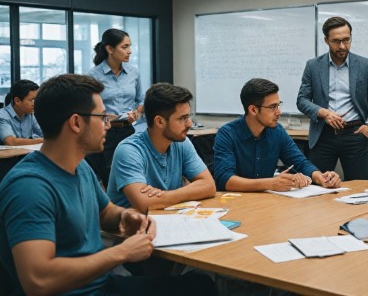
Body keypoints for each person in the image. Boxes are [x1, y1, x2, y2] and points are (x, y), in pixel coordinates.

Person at [0, 74, 215, 295]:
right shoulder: (29, 187)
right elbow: (38, 280)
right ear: (76, 123)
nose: (108, 125)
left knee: (200, 284)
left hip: (99, 284)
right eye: (102, 117)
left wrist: (125, 216)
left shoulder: (79, 167)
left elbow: (107, 211)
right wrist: (122, 253)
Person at [214, 78, 341, 192]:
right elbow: (225, 179)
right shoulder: (227, 134)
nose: (279, 112)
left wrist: (320, 177)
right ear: (253, 110)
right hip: (235, 203)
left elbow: (300, 162)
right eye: (273, 107)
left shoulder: (277, 131)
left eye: (279, 105)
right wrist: (270, 183)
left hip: (268, 201)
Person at [296, 16, 368, 180]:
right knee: (318, 185)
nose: (342, 46)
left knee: (359, 186)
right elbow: (302, 100)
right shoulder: (313, 66)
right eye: (336, 41)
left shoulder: (365, 65)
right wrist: (323, 112)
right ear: (326, 41)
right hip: (323, 134)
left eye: (346, 40)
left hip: (355, 133)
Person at [107, 83, 216, 211]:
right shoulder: (129, 150)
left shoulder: (182, 142)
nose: (190, 123)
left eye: (189, 116)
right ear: (159, 121)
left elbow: (209, 185)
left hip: (167, 221)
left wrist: (162, 196)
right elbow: (144, 203)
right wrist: (190, 190)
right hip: (131, 228)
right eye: (183, 118)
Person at [87, 28, 144, 188]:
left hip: (128, 130)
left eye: (130, 46)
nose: (129, 51)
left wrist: (137, 113)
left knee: (131, 175)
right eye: (124, 47)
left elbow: (140, 99)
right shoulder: (94, 75)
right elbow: (89, 109)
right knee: (110, 178)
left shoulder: (133, 72)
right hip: (105, 132)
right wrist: (106, 116)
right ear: (110, 49)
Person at [0, 79, 43, 146]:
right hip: (11, 156)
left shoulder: (30, 114)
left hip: (25, 153)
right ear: (17, 101)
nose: (35, 103)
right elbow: (11, 142)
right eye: (32, 100)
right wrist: (43, 140)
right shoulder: (2, 115)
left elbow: (44, 134)